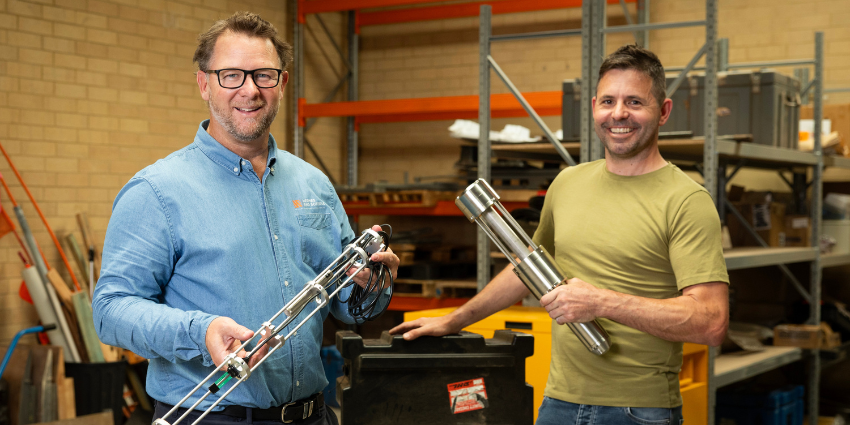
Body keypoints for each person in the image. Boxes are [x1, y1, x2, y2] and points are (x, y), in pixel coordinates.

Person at [390, 44, 729, 425]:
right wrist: (456, 320)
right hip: (559, 402)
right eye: (608, 101)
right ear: (593, 108)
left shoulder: (686, 200)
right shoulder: (568, 183)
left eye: (635, 102)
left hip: (638, 410)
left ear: (663, 112)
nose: (619, 114)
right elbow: (527, 267)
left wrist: (600, 303)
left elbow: (711, 322)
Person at [92, 12, 398, 425]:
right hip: (211, 416)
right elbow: (111, 311)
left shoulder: (313, 184)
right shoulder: (157, 191)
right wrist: (201, 332)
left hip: (313, 415)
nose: (250, 90)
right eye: (231, 75)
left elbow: (349, 307)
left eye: (264, 75)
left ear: (282, 84)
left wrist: (373, 281)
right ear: (204, 84)